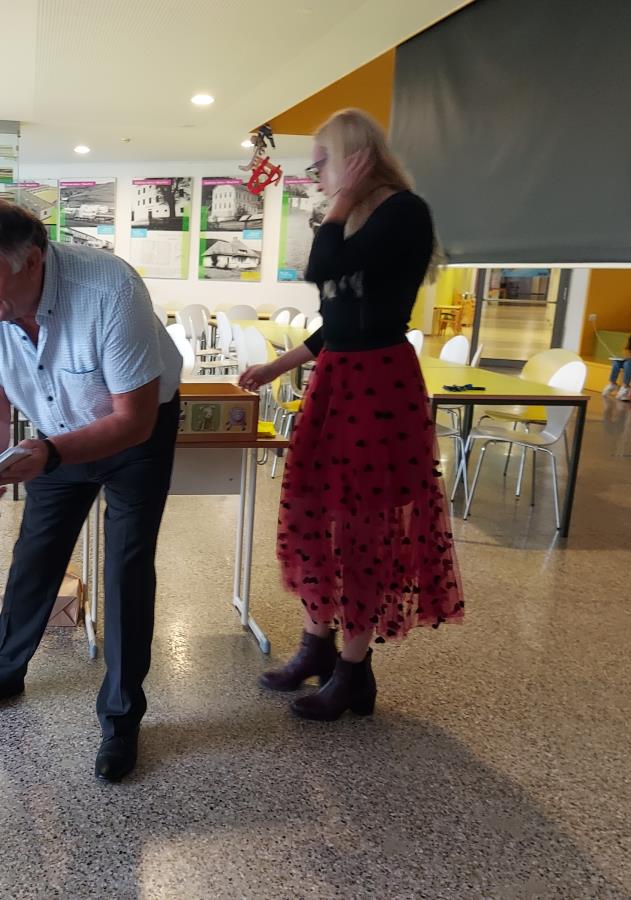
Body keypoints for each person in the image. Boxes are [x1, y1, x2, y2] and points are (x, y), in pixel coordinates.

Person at [0, 198, 182, 783]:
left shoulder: (110, 289)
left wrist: (48, 454)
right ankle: (1, 675)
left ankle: (121, 717)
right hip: (54, 429)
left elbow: (133, 420)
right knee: (36, 555)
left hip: (136, 432)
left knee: (126, 568)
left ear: (32, 260)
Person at [238, 109, 463, 720]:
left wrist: (340, 202)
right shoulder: (361, 217)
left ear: (355, 160)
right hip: (340, 378)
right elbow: (337, 322)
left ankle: (353, 671)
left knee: (363, 525)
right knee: (318, 513)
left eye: (323, 163)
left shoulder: (402, 212)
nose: (317, 175)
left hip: (378, 386)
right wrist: (277, 367)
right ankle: (317, 645)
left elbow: (323, 268)